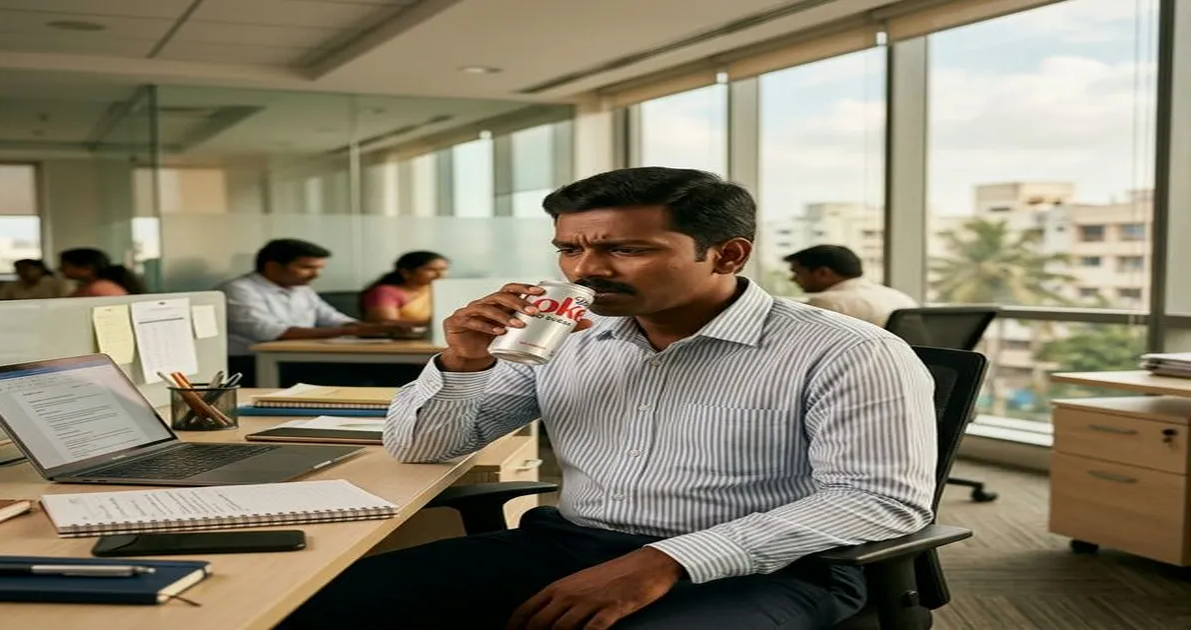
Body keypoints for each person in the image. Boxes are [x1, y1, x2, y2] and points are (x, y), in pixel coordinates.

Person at [280, 167, 937, 630]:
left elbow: (880, 500)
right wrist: (462, 361)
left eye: (625, 249)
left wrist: (668, 561)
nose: (586, 270)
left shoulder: (846, 350)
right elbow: (425, 448)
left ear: (727, 254)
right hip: (568, 545)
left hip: (769, 568)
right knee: (307, 607)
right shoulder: (562, 334)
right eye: (570, 248)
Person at [217, 238, 403, 386]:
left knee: (394, 372)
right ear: (272, 266)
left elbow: (331, 318)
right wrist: (348, 331)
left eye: (319, 268)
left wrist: (371, 328)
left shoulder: (300, 289)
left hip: (300, 357)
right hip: (254, 363)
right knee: (360, 381)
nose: (316, 275)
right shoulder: (238, 290)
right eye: (306, 268)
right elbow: (273, 332)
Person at [784, 245, 918, 328]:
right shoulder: (899, 297)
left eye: (797, 273)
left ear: (823, 273)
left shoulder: (826, 303)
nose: (792, 279)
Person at [360, 251, 449, 324]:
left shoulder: (441, 291)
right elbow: (385, 322)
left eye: (443, 269)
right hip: (395, 342)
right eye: (431, 269)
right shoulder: (384, 292)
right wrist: (433, 324)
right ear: (406, 272)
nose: (440, 274)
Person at [59, 248, 146, 297]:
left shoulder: (100, 288)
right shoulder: (96, 286)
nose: (60, 269)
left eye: (66, 265)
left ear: (87, 267)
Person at [0, 259, 68, 300]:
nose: (22, 273)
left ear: (39, 270)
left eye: (26, 269)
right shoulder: (10, 286)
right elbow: (1, 301)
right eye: (19, 270)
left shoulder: (54, 283)